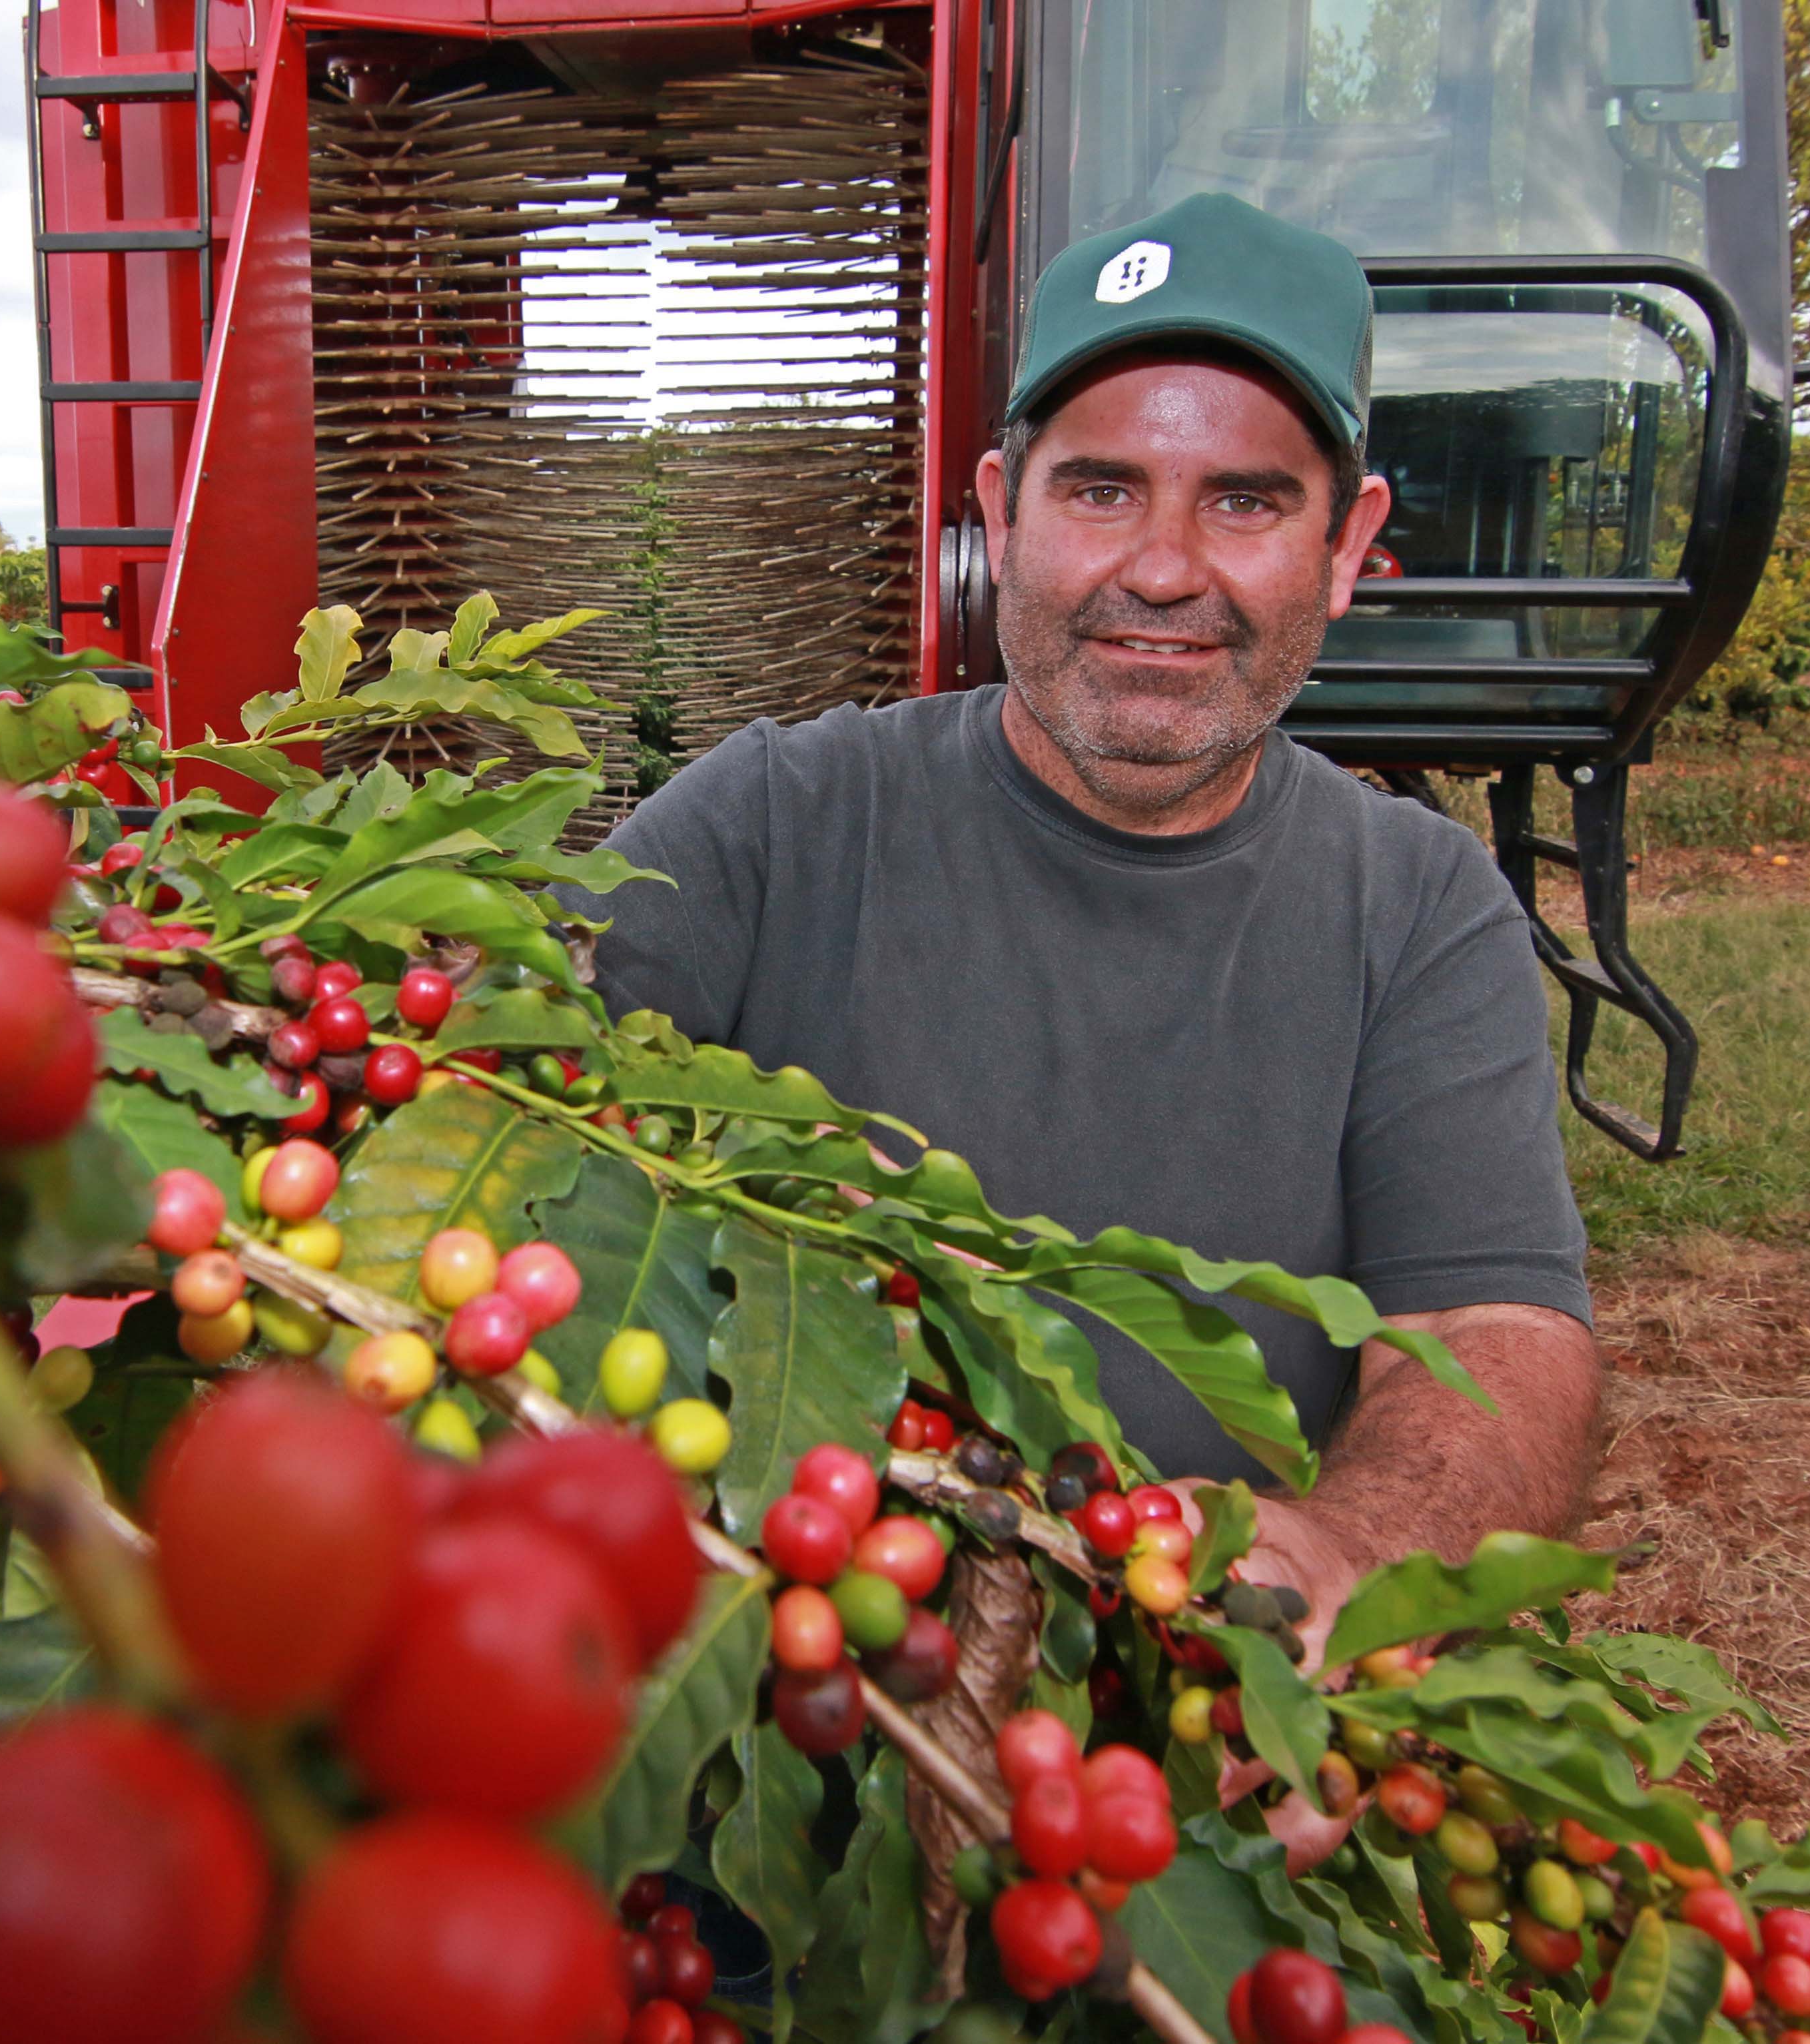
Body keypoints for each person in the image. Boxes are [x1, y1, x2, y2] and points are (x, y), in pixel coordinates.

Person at [558, 192, 1603, 1656]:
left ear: (1348, 543)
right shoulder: (775, 821)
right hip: (783, 1673)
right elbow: (496, 1060)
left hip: (1173, 1719)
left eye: (1244, 500)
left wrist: (1355, 1548)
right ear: (999, 510)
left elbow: (1499, 1333)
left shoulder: (1416, 910)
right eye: (1099, 489)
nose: (1162, 568)